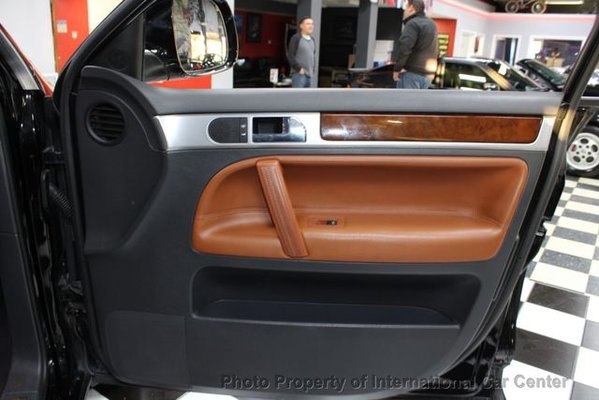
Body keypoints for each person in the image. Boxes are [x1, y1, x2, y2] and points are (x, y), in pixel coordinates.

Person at [393, 0, 439, 89]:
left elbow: (405, 48)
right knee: (417, 99)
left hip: (411, 73)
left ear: (411, 8)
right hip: (428, 76)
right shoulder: (432, 24)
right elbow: (437, 50)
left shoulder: (412, 23)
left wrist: (397, 69)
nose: (405, 11)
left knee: (406, 98)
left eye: (406, 7)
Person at [287, 17, 316, 88]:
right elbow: (290, 56)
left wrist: (313, 70)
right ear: (301, 26)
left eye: (312, 24)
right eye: (308, 24)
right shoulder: (296, 38)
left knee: (308, 95)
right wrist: (299, 69)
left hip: (310, 75)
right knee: (298, 95)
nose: (311, 26)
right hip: (299, 75)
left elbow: (313, 55)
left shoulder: (312, 40)